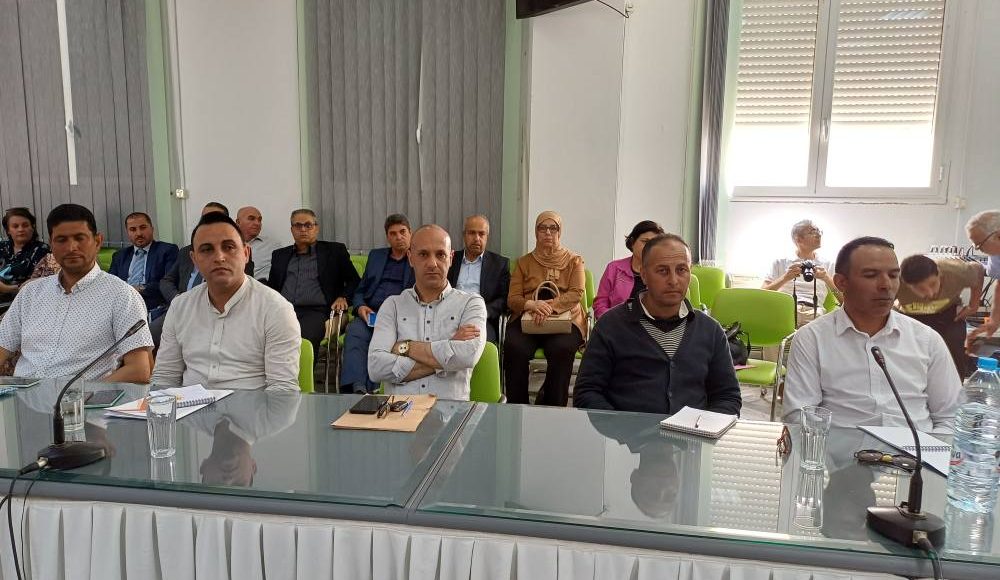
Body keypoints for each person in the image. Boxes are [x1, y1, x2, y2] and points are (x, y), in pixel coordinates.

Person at [783, 237, 961, 434]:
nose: (886, 285)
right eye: (870, 275)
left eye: (893, 276)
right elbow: (799, 416)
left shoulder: (927, 339)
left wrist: (931, 450)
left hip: (916, 447)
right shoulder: (812, 338)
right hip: (840, 450)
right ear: (841, 282)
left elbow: (951, 416)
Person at [574, 234, 742, 415]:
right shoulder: (611, 326)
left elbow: (728, 397)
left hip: (694, 432)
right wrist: (621, 426)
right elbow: (587, 392)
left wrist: (704, 427)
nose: (673, 280)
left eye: (681, 270)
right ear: (644, 275)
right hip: (625, 431)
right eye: (662, 271)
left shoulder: (710, 330)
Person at [0, 204, 153, 381]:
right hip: (22, 394)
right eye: (61, 240)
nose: (71, 247)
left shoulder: (121, 295)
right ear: (51, 245)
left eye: (80, 238)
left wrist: (83, 394)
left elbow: (139, 370)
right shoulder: (31, 293)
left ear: (97, 241)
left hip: (83, 396)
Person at [152, 212, 301, 391]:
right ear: (194, 260)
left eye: (229, 247)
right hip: (189, 407)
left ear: (246, 253)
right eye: (207, 250)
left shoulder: (275, 309)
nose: (219, 257)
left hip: (252, 408)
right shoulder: (180, 307)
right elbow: (165, 377)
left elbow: (282, 389)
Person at [369, 225, 487, 400]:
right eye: (423, 254)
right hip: (398, 411)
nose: (432, 263)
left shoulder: (471, 304)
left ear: (451, 258)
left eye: (440, 255)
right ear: (410, 258)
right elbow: (376, 368)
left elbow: (467, 355)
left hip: (449, 411)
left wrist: (405, 347)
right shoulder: (392, 305)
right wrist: (449, 349)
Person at [504, 211, 586, 406]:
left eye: (553, 228)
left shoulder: (574, 260)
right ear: (536, 232)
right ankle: (517, 407)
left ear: (560, 231)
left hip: (565, 317)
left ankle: (552, 406)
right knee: (515, 347)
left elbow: (576, 293)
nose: (548, 232)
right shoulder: (523, 263)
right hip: (529, 316)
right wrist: (532, 305)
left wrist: (549, 307)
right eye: (542, 228)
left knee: (561, 349)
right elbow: (512, 298)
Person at [268, 209, 360, 353]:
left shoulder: (334, 251)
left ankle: (302, 369)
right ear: (292, 230)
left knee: (302, 340)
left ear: (316, 228)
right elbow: (273, 287)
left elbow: (354, 281)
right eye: (298, 225)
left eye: (308, 225)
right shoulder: (280, 255)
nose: (303, 229)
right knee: (263, 337)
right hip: (283, 310)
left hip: (316, 311)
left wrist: (343, 297)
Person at [340, 214, 415, 393]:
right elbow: (360, 289)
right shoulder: (377, 256)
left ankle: (374, 388)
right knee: (355, 333)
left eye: (403, 232)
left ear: (410, 233)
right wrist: (360, 307)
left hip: (398, 316)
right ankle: (356, 387)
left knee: (382, 342)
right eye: (393, 234)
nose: (399, 237)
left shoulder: (417, 258)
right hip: (371, 313)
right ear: (387, 237)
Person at [897, 254, 984, 377]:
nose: (930, 293)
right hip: (910, 316)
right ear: (906, 284)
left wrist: (973, 305)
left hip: (946, 313)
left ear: (939, 274)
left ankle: (955, 386)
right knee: (907, 356)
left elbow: (978, 269)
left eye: (933, 284)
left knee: (954, 350)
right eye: (920, 288)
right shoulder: (895, 281)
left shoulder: (954, 271)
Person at [762, 220, 840, 326]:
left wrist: (826, 278)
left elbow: (844, 300)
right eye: (813, 232)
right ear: (798, 239)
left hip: (815, 311)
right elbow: (762, 295)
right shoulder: (781, 262)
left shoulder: (828, 264)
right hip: (786, 311)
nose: (818, 235)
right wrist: (785, 278)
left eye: (819, 231)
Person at [446, 214, 509, 343]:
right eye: (472, 233)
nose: (476, 238)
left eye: (481, 234)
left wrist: (484, 311)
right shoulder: (450, 260)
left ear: (487, 237)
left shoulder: (499, 264)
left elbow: (504, 299)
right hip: (449, 316)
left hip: (481, 318)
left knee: (476, 344)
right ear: (464, 235)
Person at [109, 212, 179, 319]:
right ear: (128, 233)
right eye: (133, 229)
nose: (138, 233)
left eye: (143, 228)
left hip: (153, 308)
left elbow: (168, 283)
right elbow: (111, 284)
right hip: (123, 308)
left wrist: (139, 288)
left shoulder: (167, 251)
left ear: (152, 229)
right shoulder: (120, 256)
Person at [593, 220, 664, 318]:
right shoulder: (614, 268)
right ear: (632, 242)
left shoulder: (663, 272)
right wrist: (612, 321)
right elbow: (600, 304)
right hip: (616, 322)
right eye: (645, 241)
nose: (649, 247)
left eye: (654, 244)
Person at [965, 210, 1000, 352]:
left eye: (980, 244)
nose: (978, 249)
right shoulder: (996, 254)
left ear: (998, 235)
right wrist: (994, 320)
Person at [0, 207, 50, 300]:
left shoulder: (42, 250)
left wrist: (7, 288)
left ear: (32, 227)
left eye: (25, 225)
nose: (21, 229)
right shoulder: (2, 247)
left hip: (24, 300)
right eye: (15, 226)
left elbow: (40, 283)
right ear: (8, 230)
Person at [236, 206, 281, 280]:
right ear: (238, 222)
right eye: (251, 219)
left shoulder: (273, 246)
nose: (257, 223)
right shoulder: (227, 245)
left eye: (259, 220)